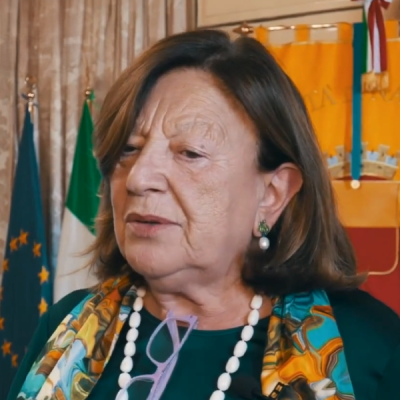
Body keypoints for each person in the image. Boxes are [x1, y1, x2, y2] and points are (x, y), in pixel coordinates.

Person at [7, 29, 400, 400]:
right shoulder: (65, 327)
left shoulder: (369, 348)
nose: (138, 178)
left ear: (272, 194)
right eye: (129, 149)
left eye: (190, 153)